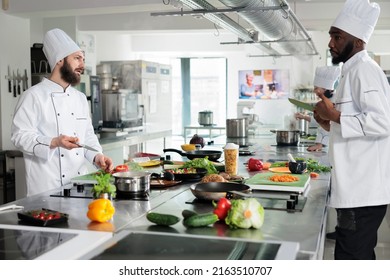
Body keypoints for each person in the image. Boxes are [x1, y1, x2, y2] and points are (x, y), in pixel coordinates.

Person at [314, 0, 390, 260]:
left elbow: (382, 122)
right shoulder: (350, 71)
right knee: (353, 254)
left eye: (338, 37)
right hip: (354, 188)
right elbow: (355, 122)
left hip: (363, 190)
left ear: (358, 42)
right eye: (331, 36)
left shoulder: (365, 71)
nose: (331, 43)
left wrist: (334, 114)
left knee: (351, 257)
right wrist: (328, 121)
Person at [11, 28, 113, 196]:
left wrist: (97, 157)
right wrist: (54, 142)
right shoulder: (33, 96)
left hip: (78, 186)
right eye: (77, 58)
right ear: (60, 60)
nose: (82, 65)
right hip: (46, 188)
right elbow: (19, 136)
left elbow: (87, 137)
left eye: (83, 59)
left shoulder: (79, 98)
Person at [295, 65, 341, 152]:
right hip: (328, 146)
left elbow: (330, 126)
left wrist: (320, 144)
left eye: (316, 88)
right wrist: (304, 116)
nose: (314, 91)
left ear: (325, 89)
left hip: (332, 146)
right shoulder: (326, 101)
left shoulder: (334, 103)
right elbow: (320, 122)